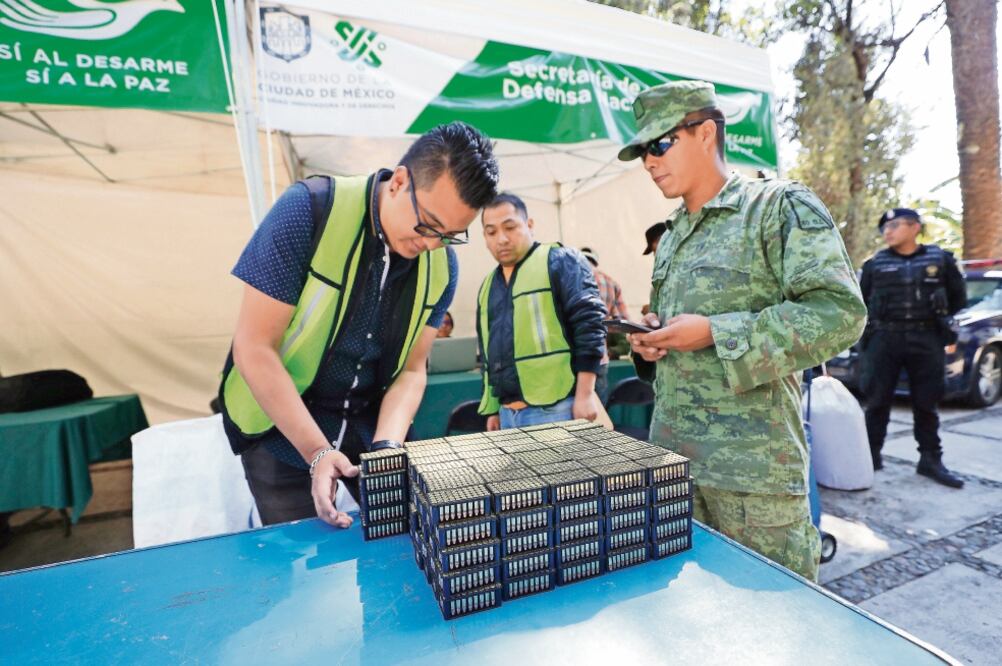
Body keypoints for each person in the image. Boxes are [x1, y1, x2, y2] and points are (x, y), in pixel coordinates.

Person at [622, 80, 866, 581]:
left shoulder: (776, 208)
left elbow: (840, 313)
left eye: (660, 143)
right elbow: (679, 335)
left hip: (754, 484)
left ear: (706, 133)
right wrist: (651, 341)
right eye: (643, 150)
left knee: (776, 632)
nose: (649, 161)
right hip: (678, 472)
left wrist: (716, 332)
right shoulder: (671, 237)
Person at [218, 122, 499, 527]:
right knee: (301, 565)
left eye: (451, 235)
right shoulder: (308, 211)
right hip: (282, 427)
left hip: (368, 424)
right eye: (428, 225)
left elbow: (413, 370)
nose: (432, 244)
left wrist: (387, 446)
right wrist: (316, 451)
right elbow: (253, 347)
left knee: (405, 549)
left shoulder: (440, 265)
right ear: (400, 182)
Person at [476, 193, 607, 430]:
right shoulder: (487, 286)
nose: (502, 239)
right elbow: (490, 353)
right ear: (484, 236)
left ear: (530, 225)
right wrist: (494, 409)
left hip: (558, 408)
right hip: (507, 414)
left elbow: (590, 326)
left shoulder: (560, 260)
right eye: (491, 232)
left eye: (510, 227)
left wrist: (585, 394)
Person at [859, 208, 967, 487]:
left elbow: (958, 298)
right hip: (885, 339)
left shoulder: (940, 260)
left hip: (927, 338)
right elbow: (862, 301)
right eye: (885, 227)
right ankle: (869, 457)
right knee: (877, 402)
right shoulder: (874, 263)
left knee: (926, 403)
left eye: (895, 225)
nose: (888, 231)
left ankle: (930, 460)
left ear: (915, 227)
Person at [581, 246, 630, 396]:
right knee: (598, 413)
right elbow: (624, 323)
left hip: (575, 359)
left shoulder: (570, 277)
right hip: (600, 356)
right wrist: (601, 325)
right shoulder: (611, 283)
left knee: (576, 416)